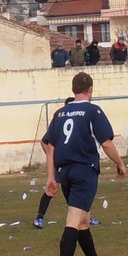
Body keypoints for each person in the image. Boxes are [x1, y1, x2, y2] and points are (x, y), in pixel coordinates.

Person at [42, 72, 126, 256]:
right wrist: (120, 163)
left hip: (65, 172)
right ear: (90, 90)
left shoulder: (60, 113)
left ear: (73, 89)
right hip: (84, 171)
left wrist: (52, 176)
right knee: (73, 220)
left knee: (83, 220)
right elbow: (106, 143)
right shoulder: (93, 110)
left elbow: (49, 145)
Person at [33, 97, 101, 228]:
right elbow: (44, 141)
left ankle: (86, 217)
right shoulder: (61, 120)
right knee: (52, 189)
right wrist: (50, 155)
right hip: (63, 162)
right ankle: (40, 217)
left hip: (74, 162)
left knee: (80, 191)